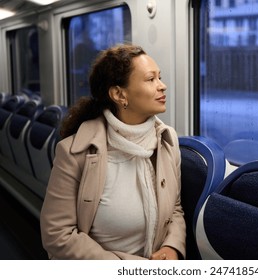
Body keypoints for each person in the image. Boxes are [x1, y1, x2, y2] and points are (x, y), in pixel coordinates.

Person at [40, 43, 186, 260]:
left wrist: (172, 247)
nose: (162, 86)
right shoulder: (74, 152)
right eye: (150, 79)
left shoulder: (167, 140)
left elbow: (174, 208)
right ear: (119, 94)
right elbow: (57, 235)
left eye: (160, 77)